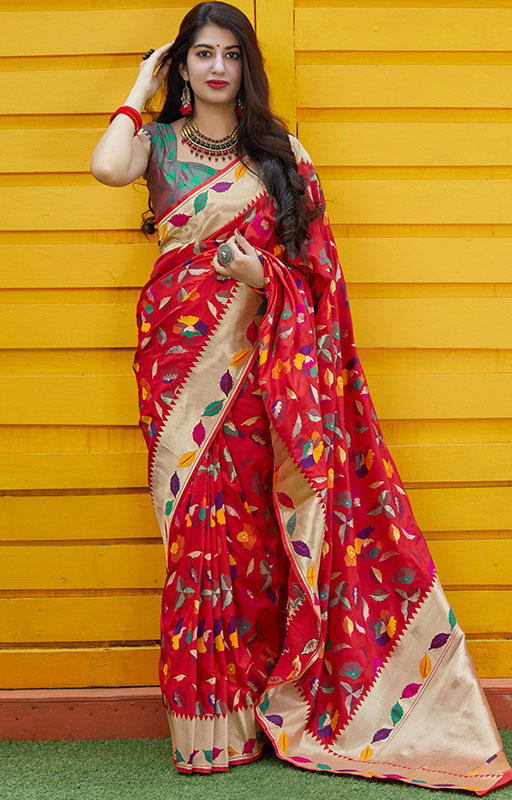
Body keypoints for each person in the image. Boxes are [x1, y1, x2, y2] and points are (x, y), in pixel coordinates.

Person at [90, 2, 511, 792]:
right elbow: (107, 167)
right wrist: (139, 84)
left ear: (247, 67)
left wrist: (263, 278)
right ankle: (203, 723)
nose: (217, 68)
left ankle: (256, 708)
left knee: (249, 541)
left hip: (256, 374)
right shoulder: (156, 144)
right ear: (183, 66)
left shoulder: (280, 153)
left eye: (230, 55)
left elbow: (320, 278)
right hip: (175, 366)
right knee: (193, 537)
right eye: (200, 55)